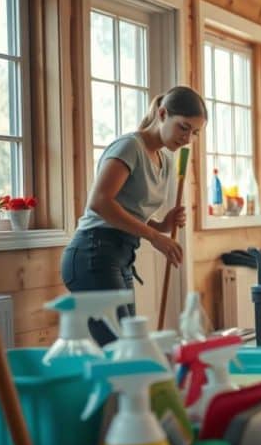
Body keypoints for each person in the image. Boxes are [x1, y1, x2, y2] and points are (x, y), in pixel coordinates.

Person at [61, 86, 207, 344]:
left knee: (131, 345)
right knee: (121, 349)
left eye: (194, 132)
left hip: (119, 257)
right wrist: (154, 237)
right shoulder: (130, 146)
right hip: (93, 253)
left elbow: (128, 208)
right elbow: (100, 202)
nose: (188, 139)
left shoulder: (165, 159)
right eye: (183, 127)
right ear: (162, 114)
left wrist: (163, 224)